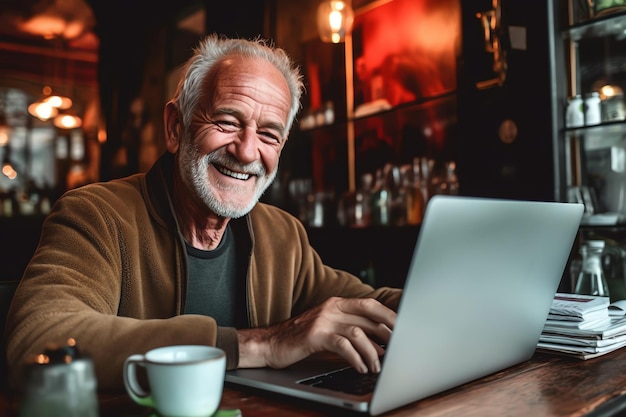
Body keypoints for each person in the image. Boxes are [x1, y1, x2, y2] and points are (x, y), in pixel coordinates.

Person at [4, 34, 401, 391]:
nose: (247, 152)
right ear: (176, 127)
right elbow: (40, 342)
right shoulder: (95, 216)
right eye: (227, 122)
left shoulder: (283, 234)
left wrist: (446, 301)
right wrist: (262, 343)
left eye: (268, 134)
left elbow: (367, 305)